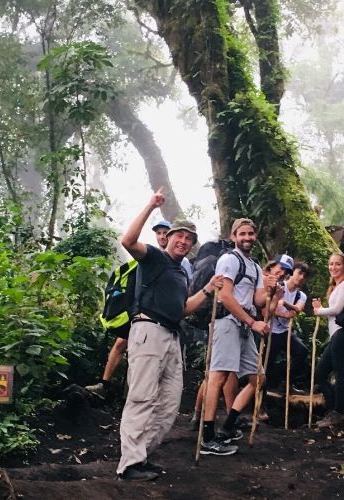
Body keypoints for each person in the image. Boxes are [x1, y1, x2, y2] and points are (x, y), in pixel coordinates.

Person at [116, 188, 222, 481]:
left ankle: (141, 454)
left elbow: (183, 308)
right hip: (148, 331)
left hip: (172, 336)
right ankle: (130, 464)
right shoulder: (154, 258)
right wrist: (150, 204)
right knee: (142, 398)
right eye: (180, 236)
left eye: (189, 239)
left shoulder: (181, 273)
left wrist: (208, 288)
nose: (184, 242)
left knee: (170, 403)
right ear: (169, 238)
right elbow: (127, 240)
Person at [86, 219, 191, 398]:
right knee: (124, 346)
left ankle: (124, 391)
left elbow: (182, 294)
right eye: (158, 233)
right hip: (141, 314)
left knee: (146, 363)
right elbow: (128, 244)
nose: (161, 236)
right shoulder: (150, 254)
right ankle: (109, 385)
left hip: (164, 320)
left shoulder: (180, 263)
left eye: (165, 232)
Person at [200, 218, 277, 456]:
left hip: (245, 327)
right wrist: (253, 322)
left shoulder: (253, 265)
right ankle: (207, 437)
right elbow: (225, 297)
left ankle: (228, 427)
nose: (247, 237)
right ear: (233, 236)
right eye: (242, 233)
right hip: (228, 323)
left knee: (258, 379)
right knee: (219, 377)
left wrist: (272, 290)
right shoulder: (228, 260)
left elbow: (257, 300)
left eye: (251, 233)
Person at [312, 252, 344, 427]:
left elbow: (337, 310)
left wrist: (319, 310)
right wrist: (321, 310)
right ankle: (334, 408)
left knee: (339, 373)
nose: (333, 267)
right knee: (321, 374)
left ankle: (340, 412)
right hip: (336, 335)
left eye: (337, 264)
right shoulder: (336, 287)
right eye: (331, 264)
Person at [265, 259, 309, 395]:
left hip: (285, 331)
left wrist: (284, 303)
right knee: (267, 361)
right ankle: (264, 389)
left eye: (304, 276)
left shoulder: (300, 295)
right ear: (292, 272)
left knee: (301, 351)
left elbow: (297, 310)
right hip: (271, 330)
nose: (301, 277)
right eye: (299, 273)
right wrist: (284, 310)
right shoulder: (279, 286)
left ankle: (286, 382)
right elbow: (273, 310)